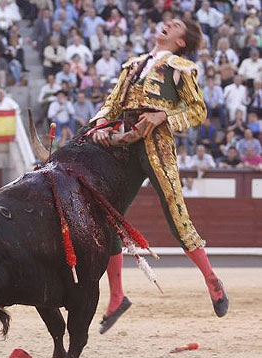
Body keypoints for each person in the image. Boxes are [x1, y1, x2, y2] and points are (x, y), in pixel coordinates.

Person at [90, 19, 229, 334]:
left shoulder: (181, 67)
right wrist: (98, 125)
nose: (167, 24)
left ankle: (211, 278)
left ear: (182, 41)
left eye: (175, 25)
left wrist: (164, 114)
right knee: (109, 216)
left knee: (177, 217)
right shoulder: (134, 65)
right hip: (124, 145)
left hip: (157, 144)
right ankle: (117, 297)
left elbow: (197, 110)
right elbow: (112, 104)